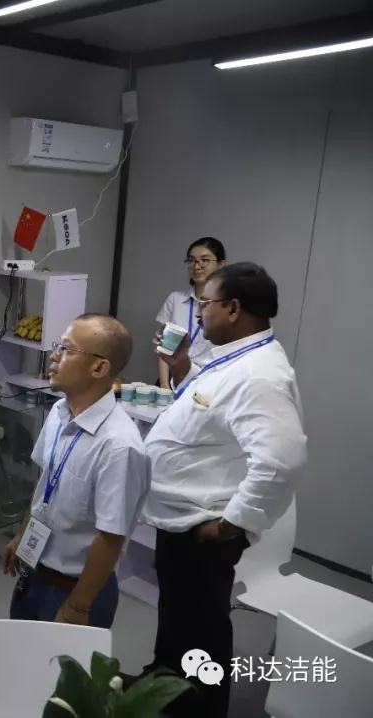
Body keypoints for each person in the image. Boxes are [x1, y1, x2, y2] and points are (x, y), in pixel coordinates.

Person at [144, 262, 307, 718]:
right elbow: (210, 407)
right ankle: (164, 688)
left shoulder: (259, 375)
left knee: (200, 633)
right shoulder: (234, 356)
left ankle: (198, 708)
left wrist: (231, 525)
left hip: (204, 530)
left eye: (204, 303)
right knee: (179, 622)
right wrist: (182, 367)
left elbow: (282, 462)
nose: (198, 312)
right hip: (182, 522)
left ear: (233, 308)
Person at [0, 315, 149, 629]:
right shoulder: (59, 412)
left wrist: (78, 606)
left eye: (66, 349)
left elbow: (111, 537)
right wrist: (22, 537)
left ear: (99, 367)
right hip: (35, 572)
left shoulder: (119, 446)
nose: (53, 356)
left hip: (75, 590)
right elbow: (45, 485)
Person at [156, 237, 227, 387]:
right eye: (191, 260)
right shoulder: (175, 299)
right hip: (174, 378)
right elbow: (165, 348)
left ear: (221, 265)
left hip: (210, 383)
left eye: (204, 260)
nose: (197, 266)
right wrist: (165, 386)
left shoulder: (227, 305)